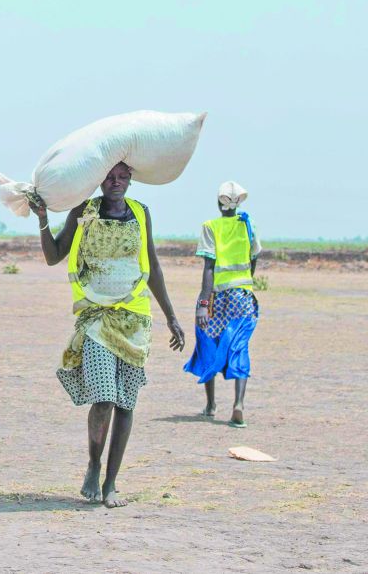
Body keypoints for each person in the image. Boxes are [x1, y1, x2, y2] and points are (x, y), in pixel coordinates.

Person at [30, 162, 185, 509]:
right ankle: (93, 464)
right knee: (103, 399)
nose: (116, 183)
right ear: (99, 180)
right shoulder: (83, 212)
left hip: (135, 320)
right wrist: (42, 218)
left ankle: (111, 483)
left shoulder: (141, 213)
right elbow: (54, 256)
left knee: (126, 404)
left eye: (122, 178)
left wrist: (171, 317)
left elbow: (152, 266)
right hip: (97, 318)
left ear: (130, 180)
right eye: (110, 178)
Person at [184, 181, 261, 428]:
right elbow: (253, 259)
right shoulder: (248, 224)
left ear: (219, 203)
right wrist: (245, 284)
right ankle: (238, 404)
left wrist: (203, 303)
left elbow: (209, 267)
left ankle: (210, 404)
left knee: (207, 341)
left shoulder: (211, 227)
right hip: (243, 297)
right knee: (240, 346)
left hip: (217, 297)